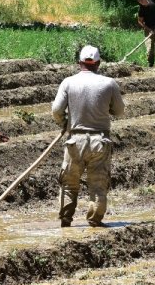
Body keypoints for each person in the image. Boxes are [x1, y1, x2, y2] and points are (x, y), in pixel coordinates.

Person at [51, 45, 125, 228]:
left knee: (68, 184)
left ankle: (66, 220)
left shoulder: (68, 82)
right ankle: (94, 220)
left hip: (74, 141)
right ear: (98, 63)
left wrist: (64, 123)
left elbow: (56, 110)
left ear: (79, 63)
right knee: (98, 185)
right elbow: (119, 111)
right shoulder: (109, 83)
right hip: (100, 141)